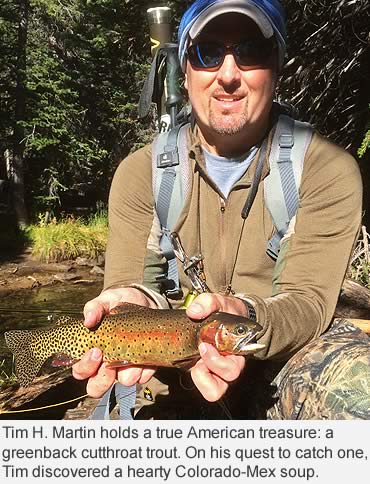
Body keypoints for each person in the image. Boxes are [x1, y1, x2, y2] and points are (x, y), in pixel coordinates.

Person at [72, 0, 369, 419]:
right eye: (208, 53)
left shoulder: (325, 169)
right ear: (186, 69)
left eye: (250, 52)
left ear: (278, 66)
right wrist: (130, 296)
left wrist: (244, 315)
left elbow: (307, 304)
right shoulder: (141, 173)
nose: (228, 75)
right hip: (170, 372)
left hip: (281, 365)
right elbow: (133, 284)